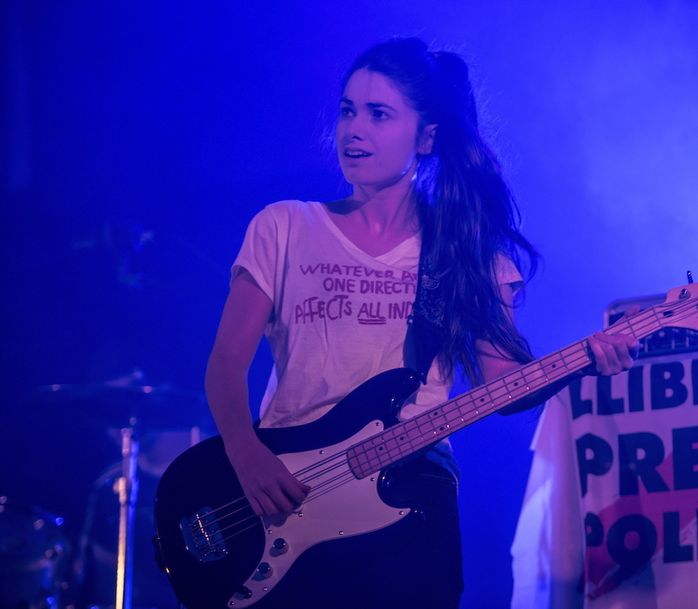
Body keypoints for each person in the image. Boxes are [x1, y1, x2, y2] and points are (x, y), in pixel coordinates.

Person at [204, 37, 638, 608]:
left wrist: (583, 361)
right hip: (287, 489)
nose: (354, 129)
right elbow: (226, 361)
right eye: (347, 110)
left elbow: (503, 384)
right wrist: (244, 451)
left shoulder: (466, 251)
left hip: (411, 493)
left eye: (378, 114)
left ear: (426, 137)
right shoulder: (284, 226)